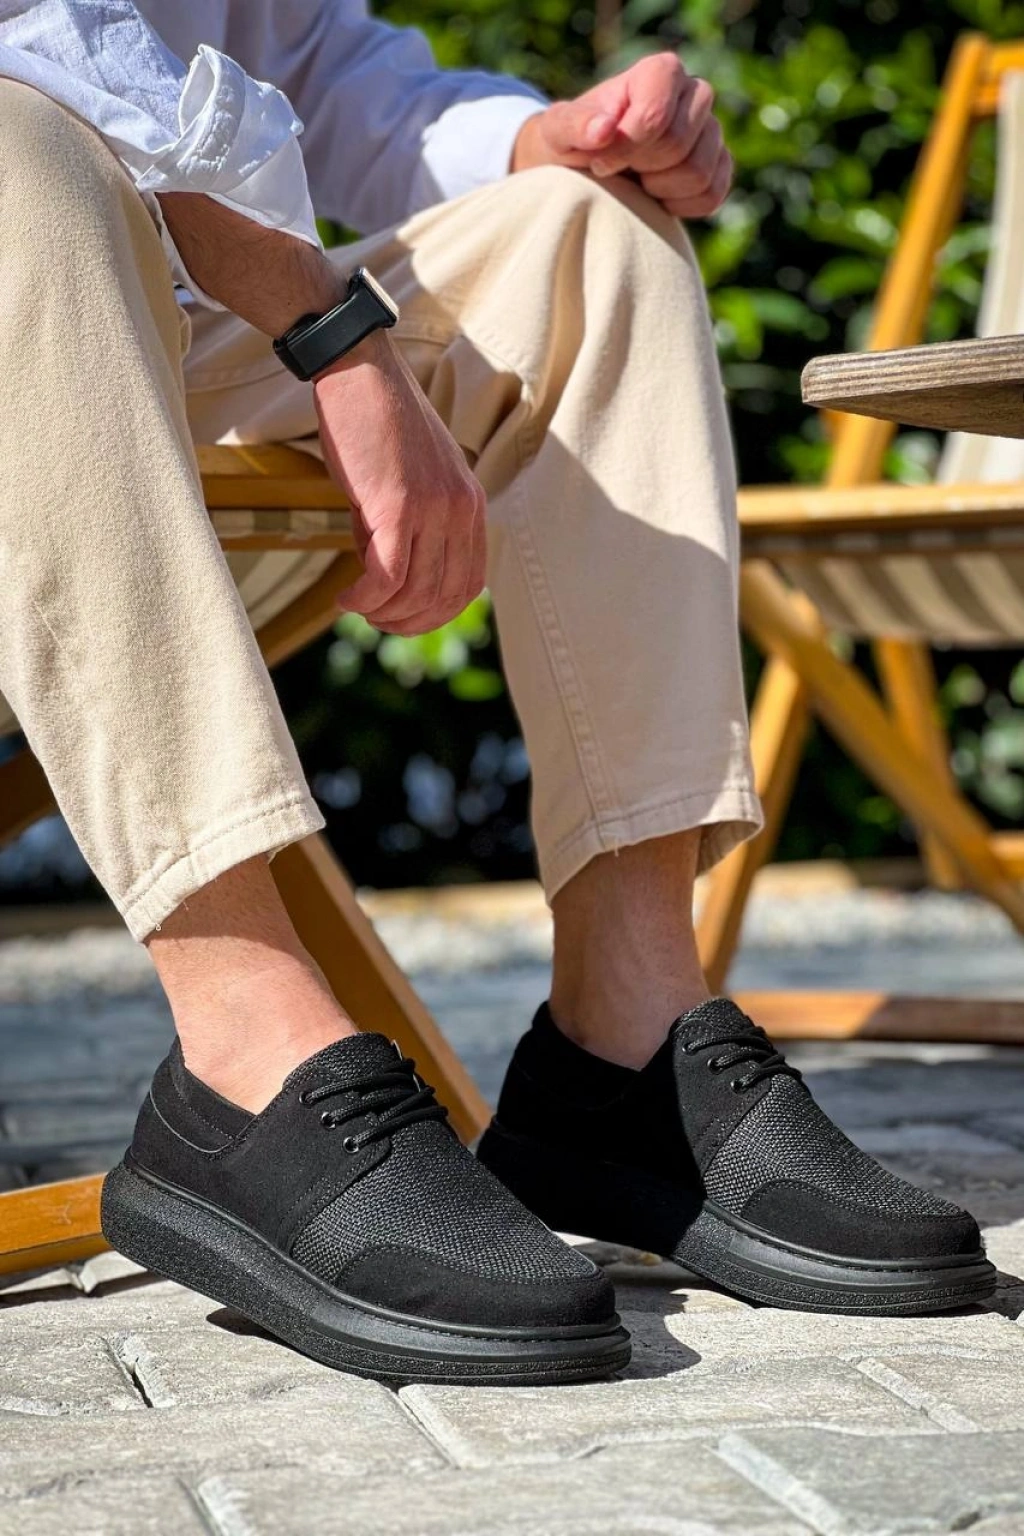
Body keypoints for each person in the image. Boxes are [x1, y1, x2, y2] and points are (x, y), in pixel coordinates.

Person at [0, 0, 993, 1386]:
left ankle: (623, 1043)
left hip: (173, 342)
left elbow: (312, 60)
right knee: (15, 152)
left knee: (594, 236)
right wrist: (333, 333)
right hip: (37, 327)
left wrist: (541, 135)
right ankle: (240, 1040)